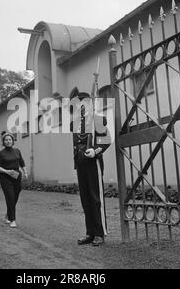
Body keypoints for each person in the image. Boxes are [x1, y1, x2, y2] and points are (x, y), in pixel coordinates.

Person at [70, 88, 111, 246]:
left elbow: (107, 139)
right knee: (85, 199)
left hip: (93, 163)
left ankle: (99, 233)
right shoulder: (76, 123)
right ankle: (90, 233)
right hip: (80, 164)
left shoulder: (97, 120)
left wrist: (95, 150)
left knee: (95, 199)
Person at [0, 132, 28, 228]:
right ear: (3, 142)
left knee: (15, 197)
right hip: (5, 177)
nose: (8, 141)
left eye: (10, 139)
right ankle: (12, 220)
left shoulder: (17, 151)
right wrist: (6, 171)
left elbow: (22, 163)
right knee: (10, 197)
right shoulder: (0, 153)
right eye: (6, 140)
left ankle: (8, 214)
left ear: (13, 141)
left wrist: (25, 172)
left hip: (16, 175)